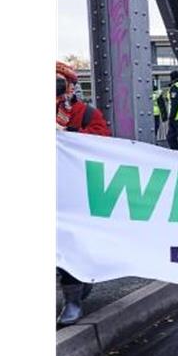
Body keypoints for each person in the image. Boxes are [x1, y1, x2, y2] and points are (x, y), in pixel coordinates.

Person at [56, 61, 111, 325]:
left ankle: (73, 300)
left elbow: (103, 144)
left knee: (69, 243)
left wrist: (71, 135)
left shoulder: (85, 113)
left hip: (74, 192)